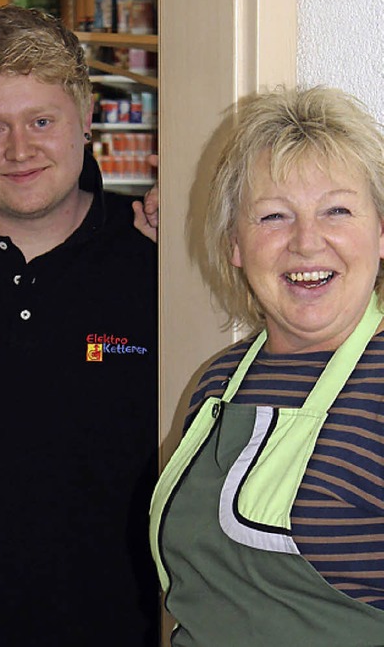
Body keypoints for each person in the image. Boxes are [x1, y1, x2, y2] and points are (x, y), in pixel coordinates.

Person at [0, 5, 159, 646]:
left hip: (131, 627)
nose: (19, 149)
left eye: (42, 121)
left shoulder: (157, 260)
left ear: (85, 120)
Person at [149, 85, 384, 646]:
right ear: (234, 244)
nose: (306, 243)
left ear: (381, 233)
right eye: (273, 217)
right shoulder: (218, 382)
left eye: (337, 210)